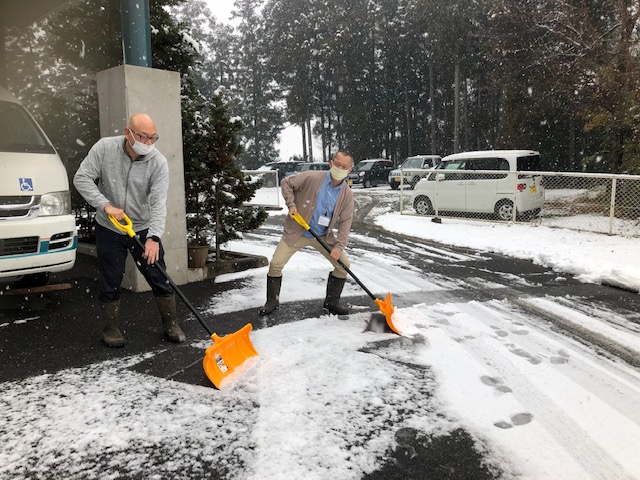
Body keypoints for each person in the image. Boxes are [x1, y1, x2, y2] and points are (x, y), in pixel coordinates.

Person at [73, 113, 185, 347]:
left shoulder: (158, 162)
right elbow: (81, 178)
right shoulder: (105, 148)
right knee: (110, 279)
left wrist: (154, 237)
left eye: (153, 138)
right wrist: (105, 206)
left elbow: (158, 203)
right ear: (128, 133)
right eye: (143, 137)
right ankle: (110, 328)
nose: (148, 143)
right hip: (109, 227)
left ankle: (171, 323)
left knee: (158, 276)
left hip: (142, 229)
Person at [260, 151, 355, 316]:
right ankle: (272, 301)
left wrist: (339, 247)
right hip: (298, 231)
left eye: (344, 166)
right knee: (276, 264)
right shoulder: (313, 177)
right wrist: (291, 205)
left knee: (343, 267)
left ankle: (332, 302)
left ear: (349, 170)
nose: (340, 168)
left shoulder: (346, 194)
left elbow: (346, 222)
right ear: (331, 164)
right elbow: (286, 182)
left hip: (322, 236)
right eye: (337, 164)